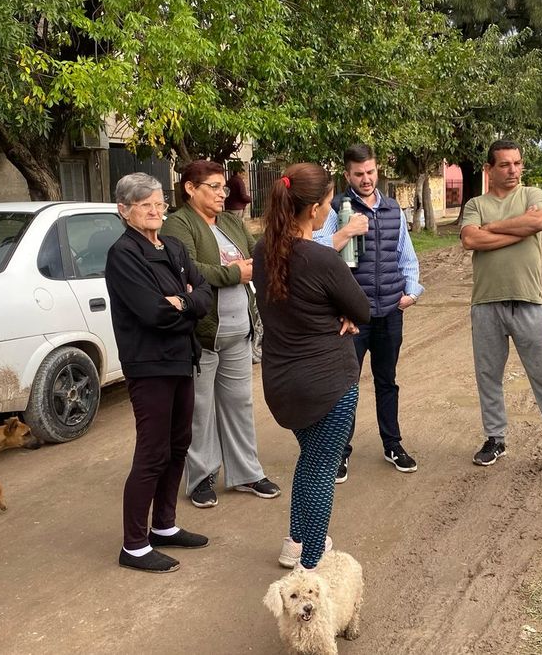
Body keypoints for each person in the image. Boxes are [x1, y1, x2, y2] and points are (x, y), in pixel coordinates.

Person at [252, 163, 370, 570]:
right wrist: (344, 313)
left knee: (311, 459)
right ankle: (312, 566)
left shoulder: (263, 252)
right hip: (327, 384)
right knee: (321, 469)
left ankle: (296, 542)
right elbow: (362, 309)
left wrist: (337, 311)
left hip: (282, 383)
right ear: (315, 209)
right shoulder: (322, 258)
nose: (331, 209)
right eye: (329, 202)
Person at [459, 140, 542, 477]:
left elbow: (537, 222)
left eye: (517, 163)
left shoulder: (532, 194)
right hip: (486, 303)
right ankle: (495, 439)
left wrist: (492, 227)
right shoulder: (476, 203)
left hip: (528, 301)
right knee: (489, 377)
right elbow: (471, 240)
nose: (513, 170)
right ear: (489, 169)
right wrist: (516, 231)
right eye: (505, 164)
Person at [106, 172, 214, 573]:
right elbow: (152, 312)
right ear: (124, 210)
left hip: (181, 357)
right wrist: (186, 302)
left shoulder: (172, 246)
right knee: (152, 451)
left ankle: (164, 525)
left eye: (159, 203)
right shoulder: (123, 254)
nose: (155, 211)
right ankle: (134, 544)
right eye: (144, 205)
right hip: (149, 364)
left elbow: (204, 294)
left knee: (179, 443)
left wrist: (181, 302)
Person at [162, 160, 280, 509]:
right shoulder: (178, 224)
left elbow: (257, 254)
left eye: (223, 187)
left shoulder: (230, 221)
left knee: (240, 404)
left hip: (239, 331)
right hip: (203, 335)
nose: (221, 193)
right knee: (200, 410)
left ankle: (246, 473)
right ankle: (202, 477)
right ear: (190, 188)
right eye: (213, 187)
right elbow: (188, 269)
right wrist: (233, 273)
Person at [314, 144, 423, 482]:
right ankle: (339, 453)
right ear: (347, 175)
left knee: (387, 381)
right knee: (345, 387)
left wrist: (412, 291)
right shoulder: (335, 209)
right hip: (351, 317)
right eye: (358, 173)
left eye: (371, 172)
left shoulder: (392, 209)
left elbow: (406, 255)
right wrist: (346, 231)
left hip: (390, 311)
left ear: (377, 171)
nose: (366, 179)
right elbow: (316, 253)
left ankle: (393, 444)